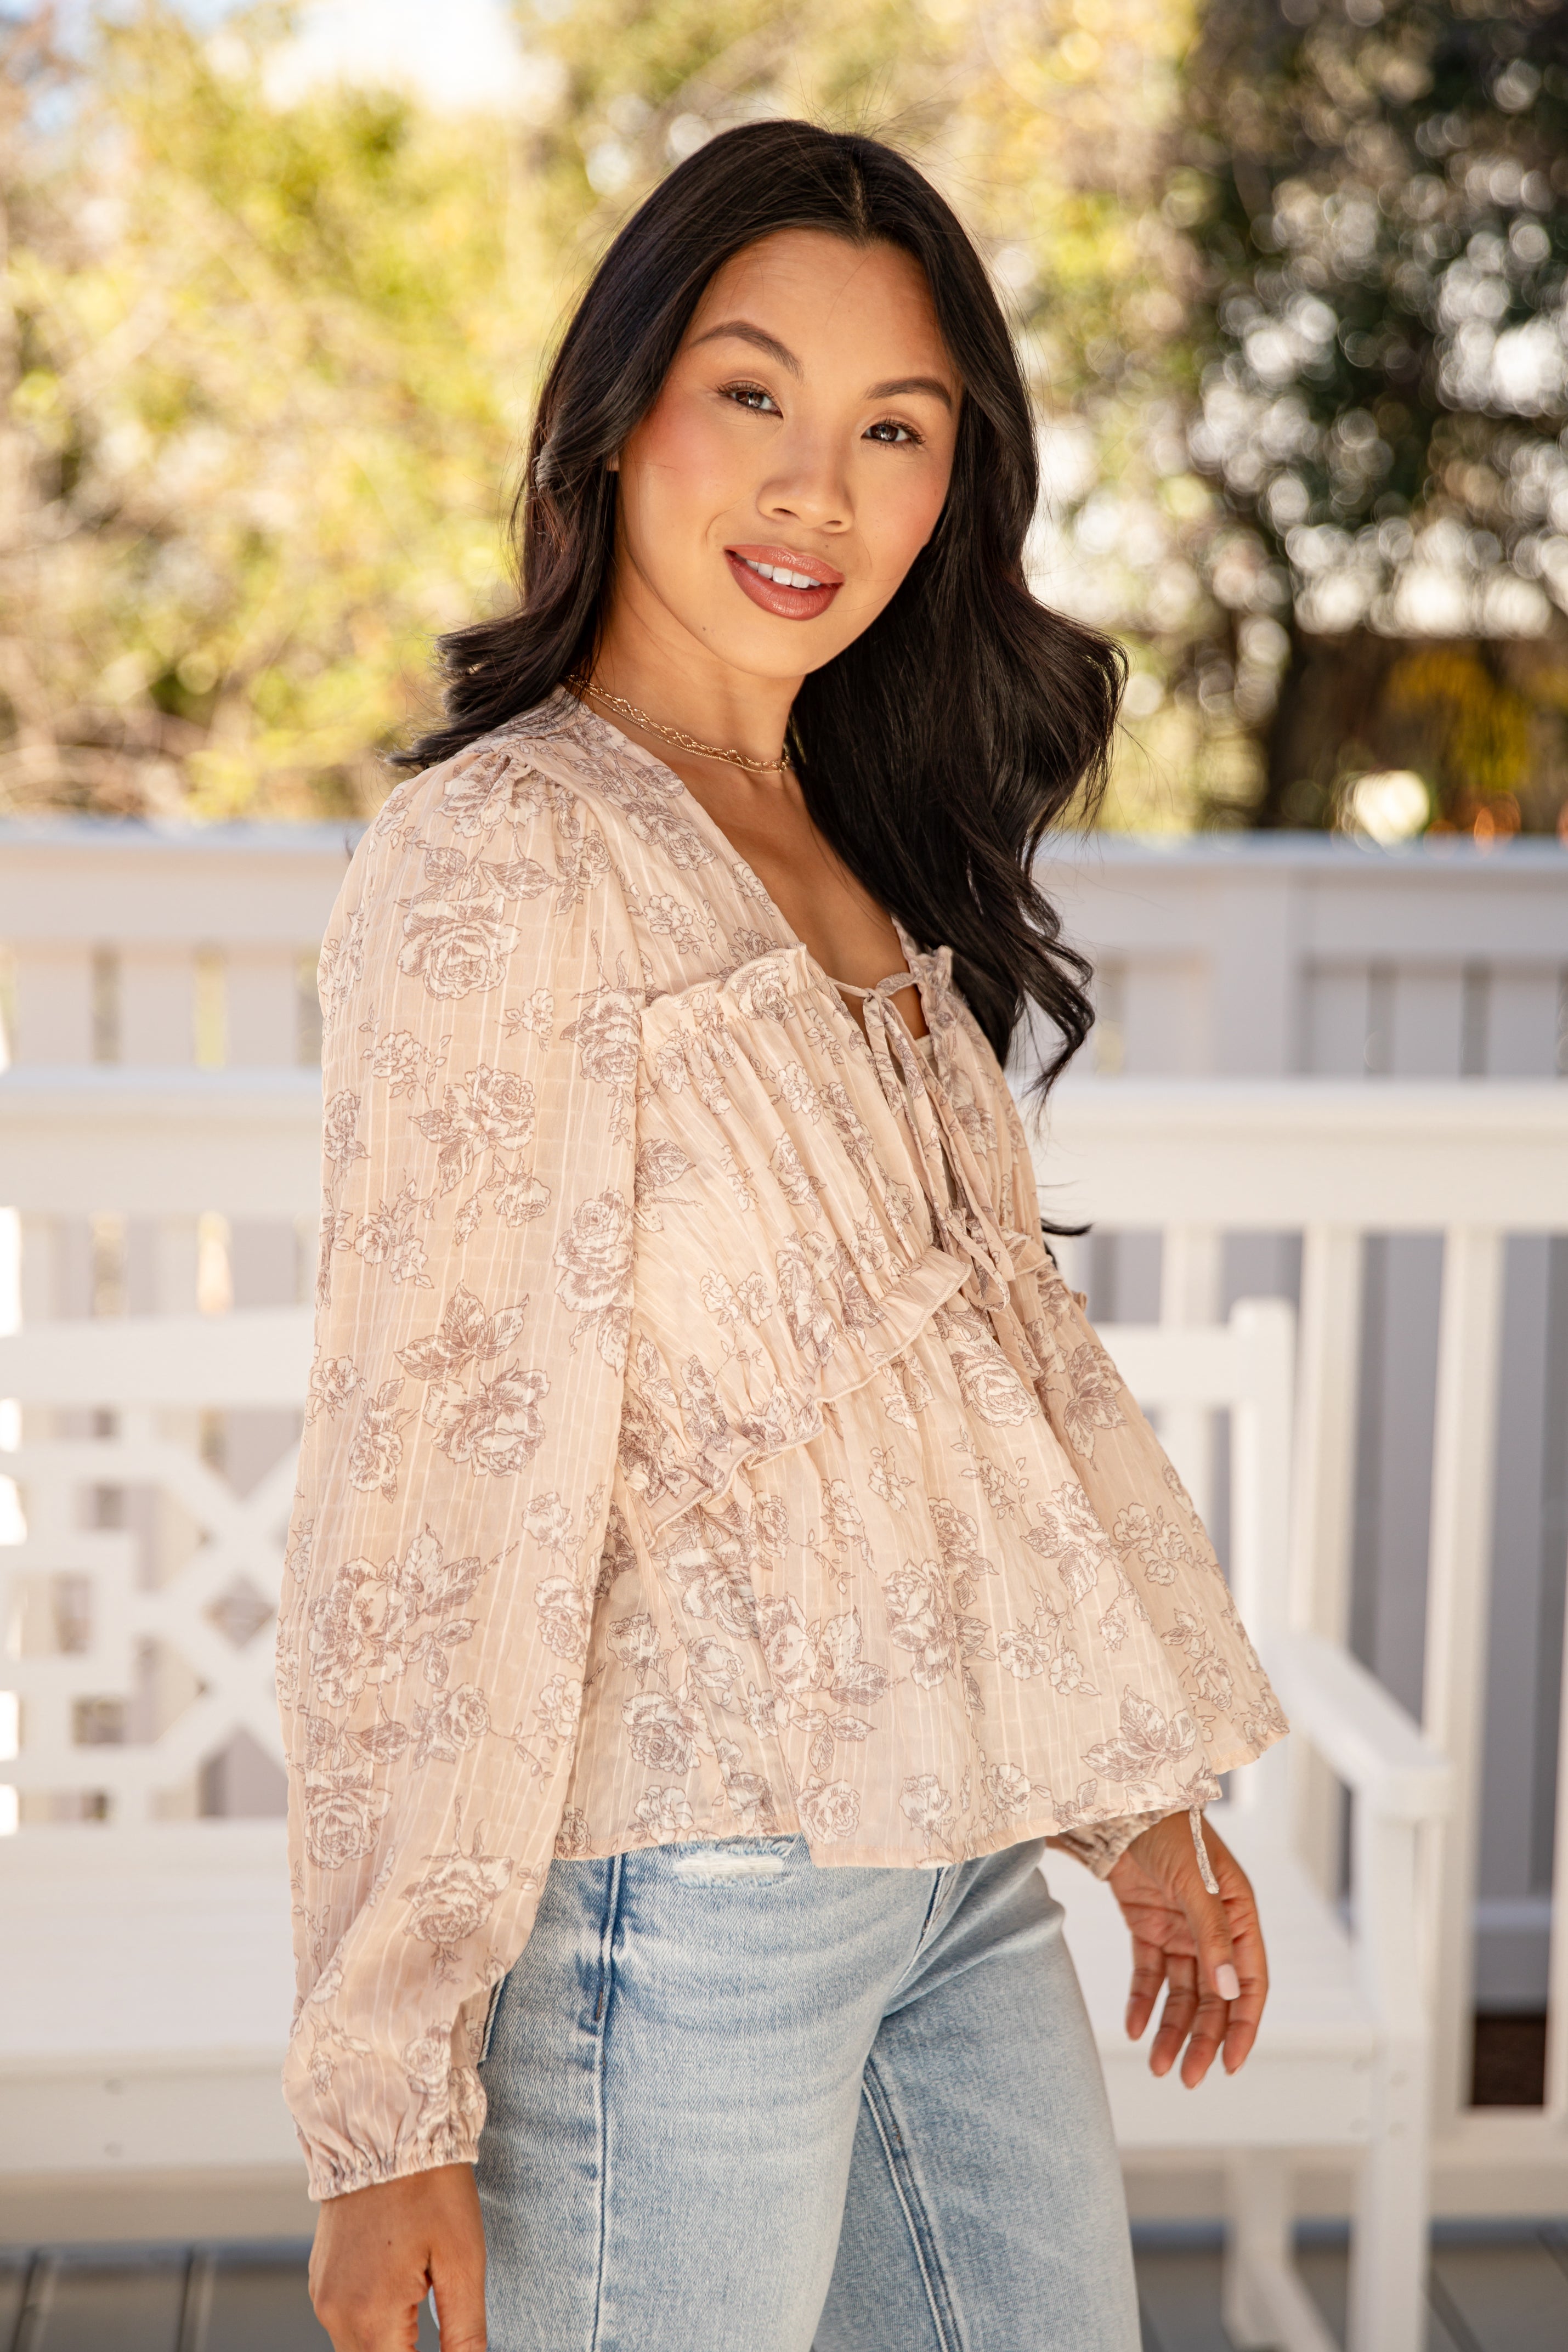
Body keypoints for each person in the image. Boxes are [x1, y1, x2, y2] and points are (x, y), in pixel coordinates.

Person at [285, 117, 1284, 2352]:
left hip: (948, 1866)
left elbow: (968, 1377)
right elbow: (429, 1478)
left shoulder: (851, 834)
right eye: (754, 393)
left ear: (957, 484)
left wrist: (1128, 1797)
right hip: (677, 1899)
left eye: (894, 427)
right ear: (627, 406)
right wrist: (385, 2095)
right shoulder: (503, 863)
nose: (814, 487)